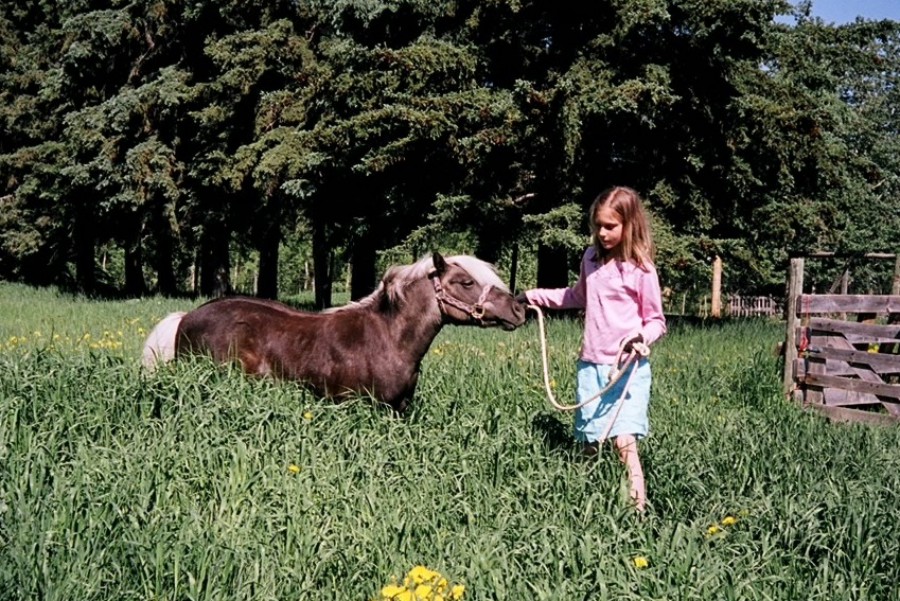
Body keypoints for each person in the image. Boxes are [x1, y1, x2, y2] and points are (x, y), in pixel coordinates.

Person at [519, 186, 667, 512]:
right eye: (598, 225)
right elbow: (577, 297)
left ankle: (638, 509)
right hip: (590, 366)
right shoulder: (591, 259)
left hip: (627, 370)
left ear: (630, 225)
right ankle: (582, 504)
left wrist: (641, 339)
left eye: (610, 226)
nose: (602, 233)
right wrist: (533, 296)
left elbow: (656, 320)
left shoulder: (641, 269)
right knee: (589, 441)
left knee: (624, 442)